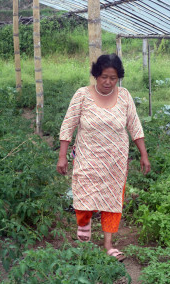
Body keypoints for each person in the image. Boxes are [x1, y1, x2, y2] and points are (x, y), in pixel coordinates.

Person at [56, 53, 150, 262]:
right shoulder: (82, 95)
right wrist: (62, 156)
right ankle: (84, 239)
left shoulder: (124, 96)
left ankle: (108, 245)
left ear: (119, 78)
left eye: (113, 78)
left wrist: (144, 154)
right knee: (83, 197)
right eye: (104, 77)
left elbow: (135, 126)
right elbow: (68, 125)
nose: (108, 82)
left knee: (112, 201)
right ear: (96, 75)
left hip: (115, 161)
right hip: (87, 158)